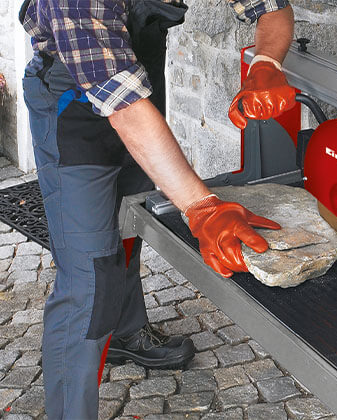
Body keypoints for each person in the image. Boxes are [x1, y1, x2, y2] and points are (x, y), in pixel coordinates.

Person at [19, 0, 296, 417]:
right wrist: (201, 207)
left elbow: (271, 8)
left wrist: (265, 63)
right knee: (88, 277)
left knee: (130, 224)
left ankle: (128, 334)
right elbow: (125, 111)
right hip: (70, 106)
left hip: (138, 83)